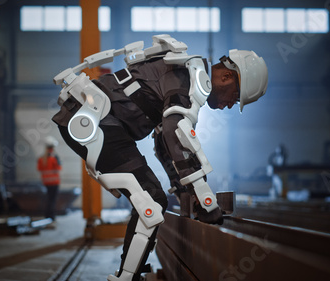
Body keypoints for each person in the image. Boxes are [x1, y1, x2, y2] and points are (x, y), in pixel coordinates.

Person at [52, 35, 268, 281]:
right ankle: (126, 278)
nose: (231, 105)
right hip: (93, 121)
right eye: (236, 96)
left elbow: (164, 143)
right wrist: (205, 198)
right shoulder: (187, 78)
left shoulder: (183, 73)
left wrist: (185, 193)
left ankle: (131, 268)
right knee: (151, 202)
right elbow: (176, 132)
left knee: (150, 198)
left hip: (100, 121)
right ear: (227, 77)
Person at [37, 136, 62, 225]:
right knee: (52, 200)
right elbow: (59, 168)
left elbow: (39, 169)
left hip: (46, 182)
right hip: (54, 183)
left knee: (48, 200)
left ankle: (47, 216)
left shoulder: (41, 158)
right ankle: (51, 217)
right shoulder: (54, 157)